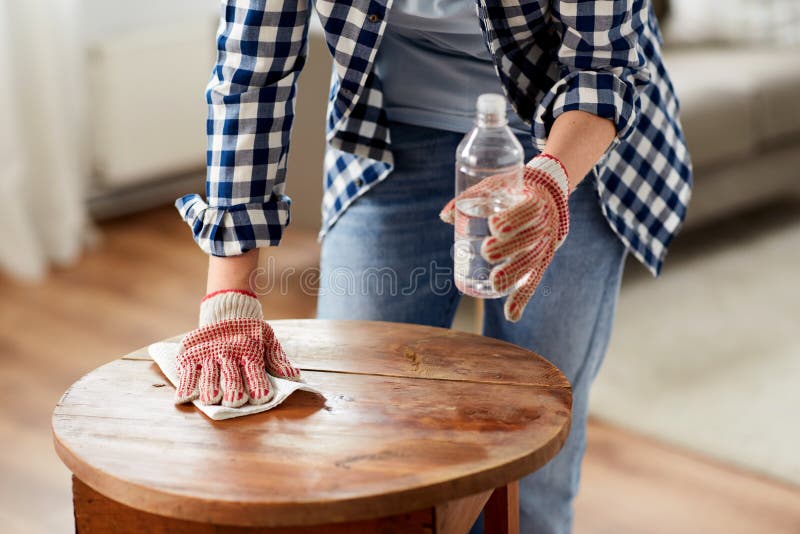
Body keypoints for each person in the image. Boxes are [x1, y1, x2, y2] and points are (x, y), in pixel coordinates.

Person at [172, 1, 691, 532]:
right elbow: (251, 67)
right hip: (391, 134)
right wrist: (228, 297)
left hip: (567, 141)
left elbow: (602, 66)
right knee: (357, 444)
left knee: (531, 468)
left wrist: (551, 180)